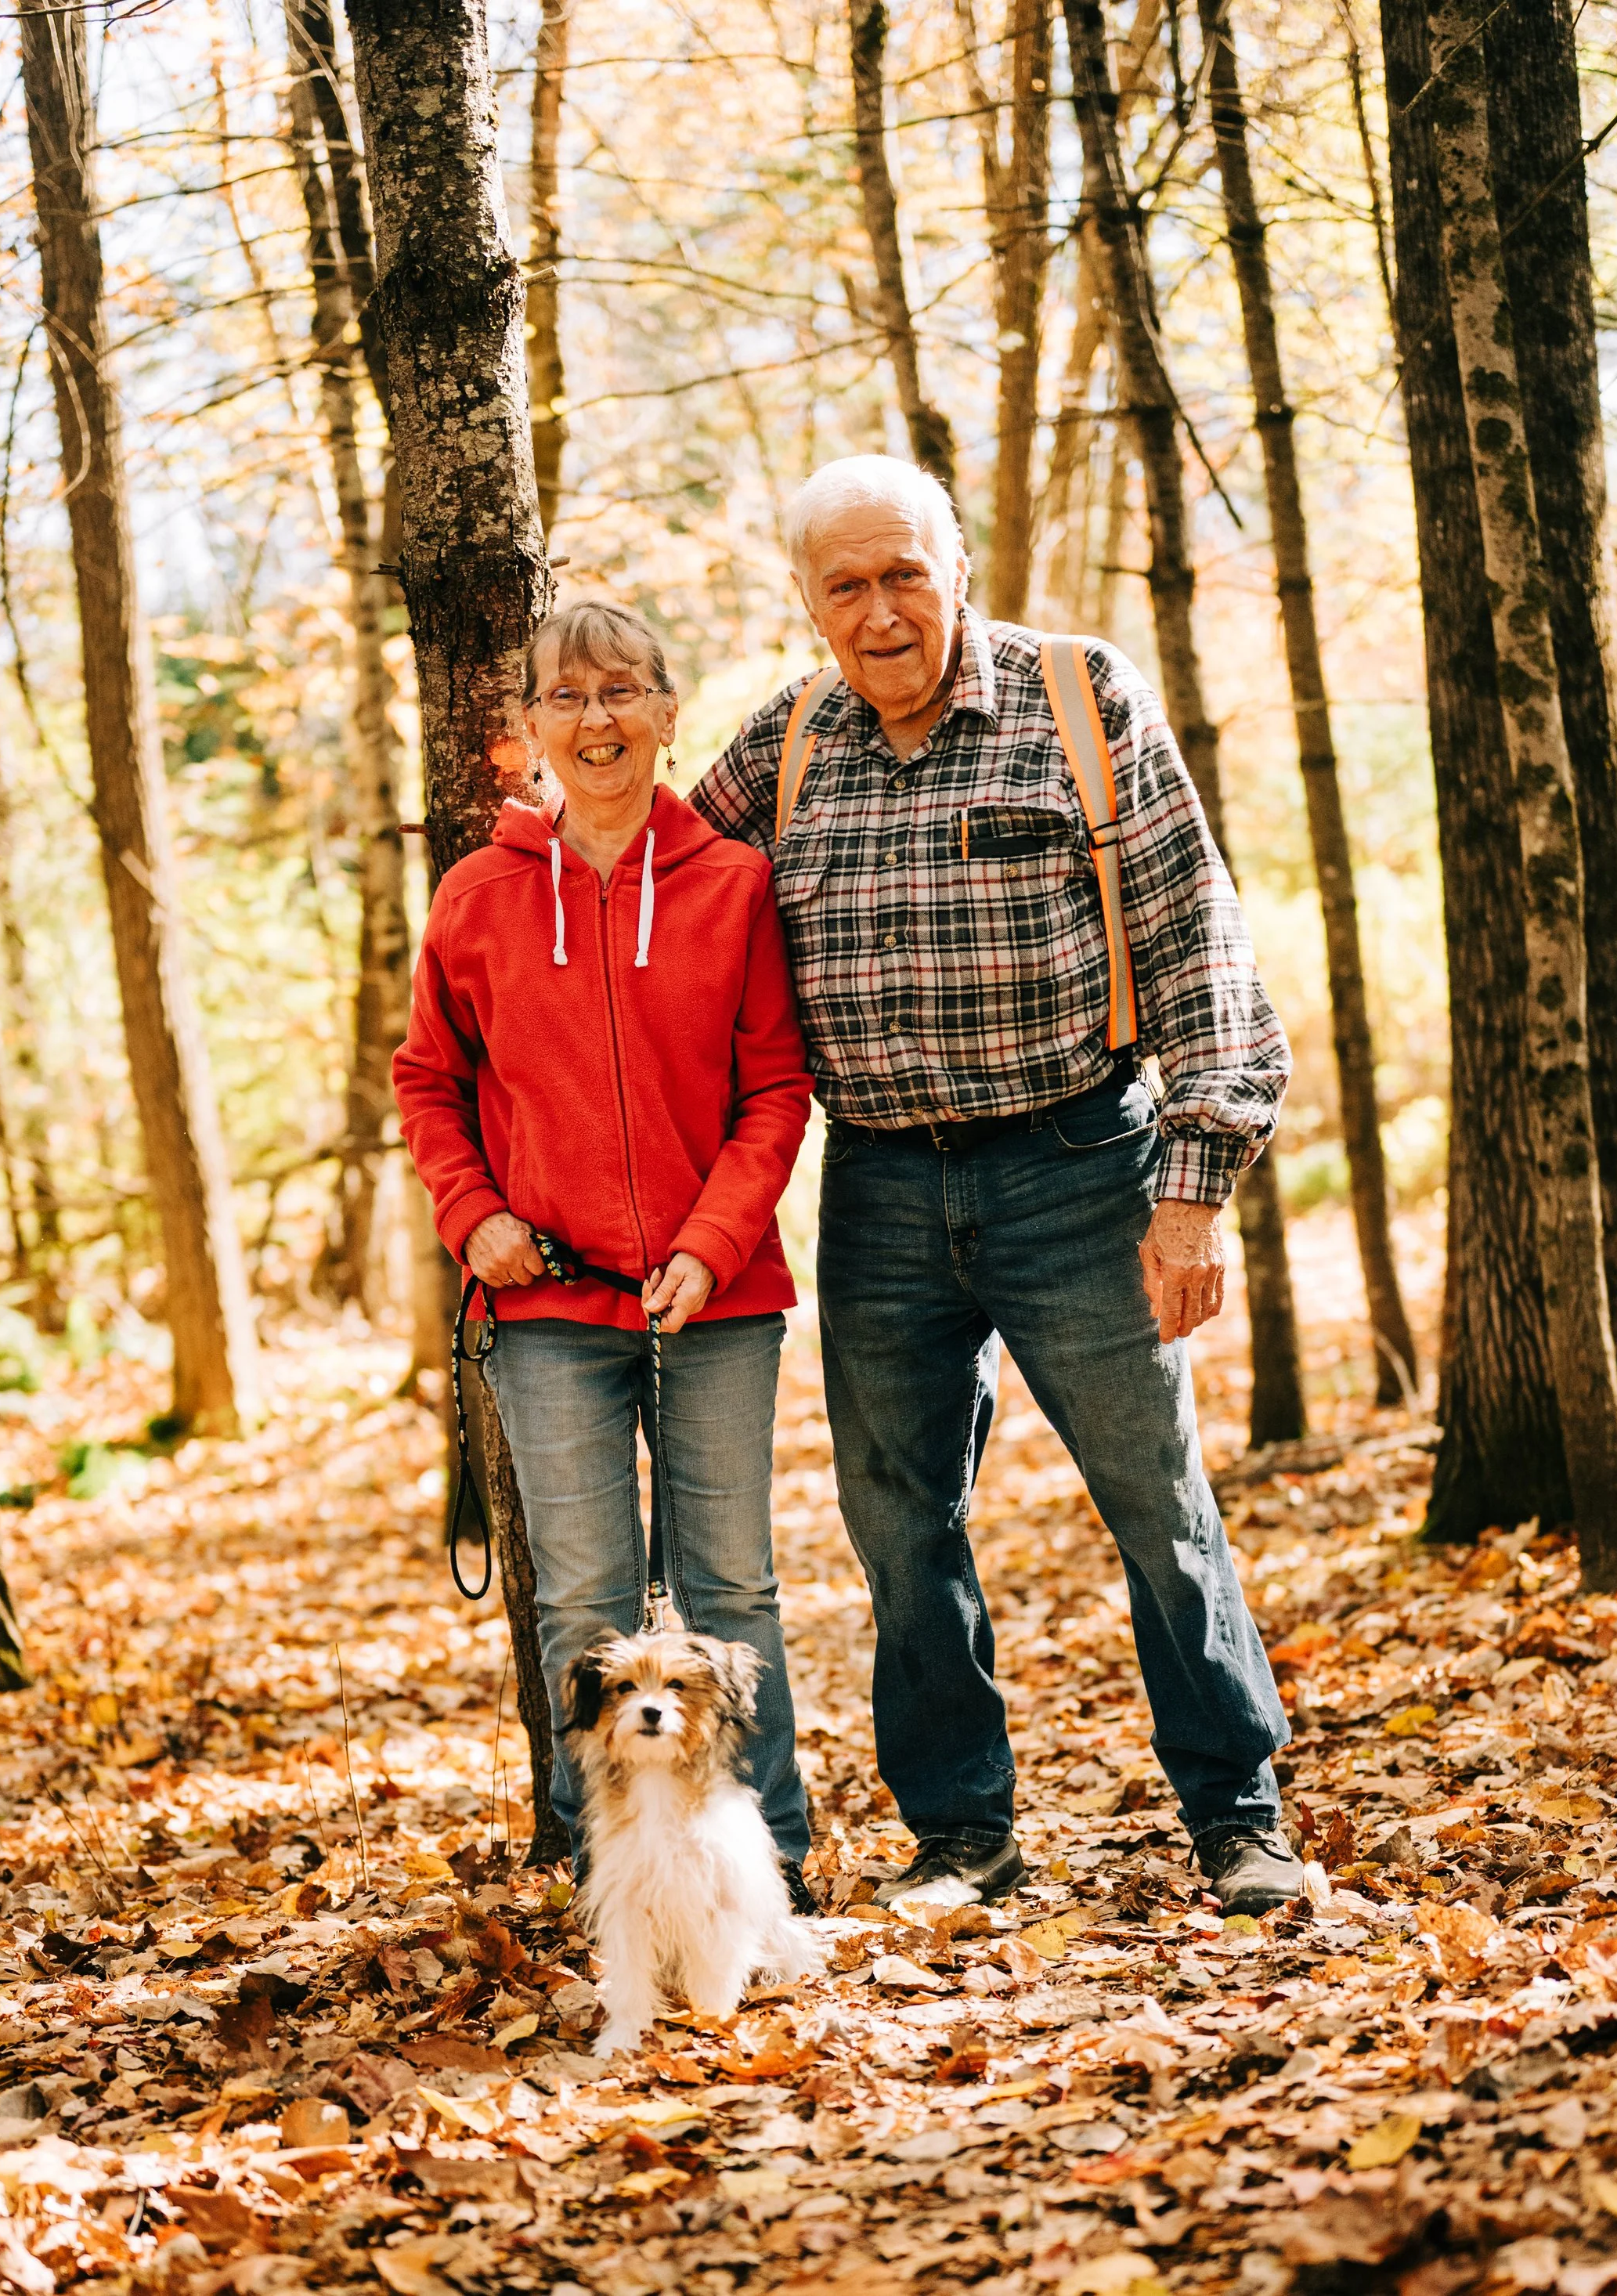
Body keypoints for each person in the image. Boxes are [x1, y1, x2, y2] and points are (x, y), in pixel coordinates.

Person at [693, 455, 1300, 1915]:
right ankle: (962, 1838)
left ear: (956, 566)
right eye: (848, 584)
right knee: (900, 1525)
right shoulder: (781, 746)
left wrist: (1194, 1184)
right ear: (809, 602)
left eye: (907, 571)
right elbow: (655, 890)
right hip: (881, 1189)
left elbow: (1197, 945)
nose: (883, 609)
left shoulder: (1082, 700)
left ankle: (1240, 1817)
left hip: (1079, 1163)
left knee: (1155, 1500)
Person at [394, 600, 818, 1908]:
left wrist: (710, 1242)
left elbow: (774, 1090)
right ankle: (614, 1870)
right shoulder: (477, 896)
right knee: (582, 1598)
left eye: (622, 692)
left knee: (729, 1584)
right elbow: (427, 1084)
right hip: (545, 1311)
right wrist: (474, 1218)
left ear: (666, 712)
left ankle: (767, 1862)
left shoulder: (735, 884)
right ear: (524, 731)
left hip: (719, 1300)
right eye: (567, 700)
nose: (597, 721)